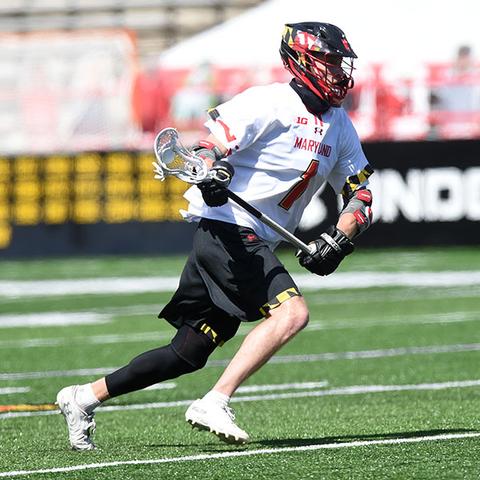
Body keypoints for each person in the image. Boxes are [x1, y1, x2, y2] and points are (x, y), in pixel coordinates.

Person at [56, 22, 374, 451]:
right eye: (330, 61)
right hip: (227, 229)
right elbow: (209, 149)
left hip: (254, 237)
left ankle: (83, 398)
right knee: (292, 313)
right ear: (301, 61)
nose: (339, 72)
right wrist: (211, 172)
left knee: (188, 352)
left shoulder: (341, 126)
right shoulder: (268, 102)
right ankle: (216, 400)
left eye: (341, 63)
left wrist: (339, 239)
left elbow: (361, 192)